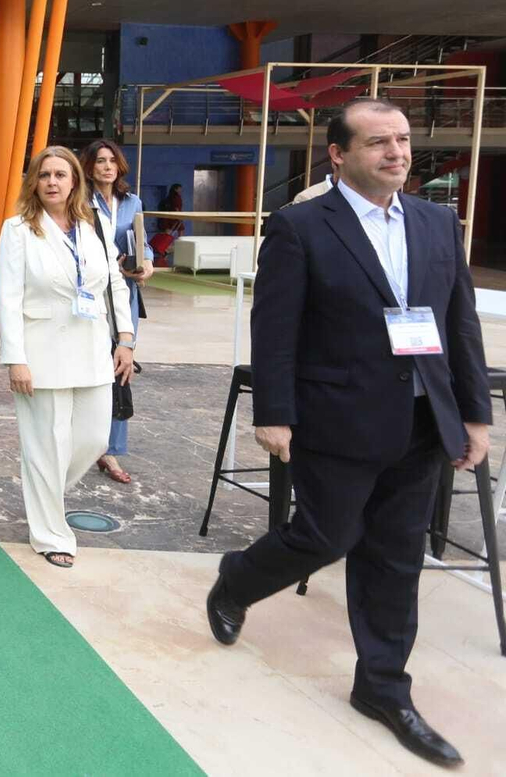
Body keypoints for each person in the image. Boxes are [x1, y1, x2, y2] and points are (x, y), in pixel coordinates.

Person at [205, 99, 491, 768]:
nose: (397, 153)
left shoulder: (437, 223)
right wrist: (273, 413)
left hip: (421, 422)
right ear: (339, 155)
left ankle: (384, 690)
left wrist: (474, 414)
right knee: (326, 536)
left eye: (402, 141)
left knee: (395, 560)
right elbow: (276, 331)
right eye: (378, 144)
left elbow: (460, 327)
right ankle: (237, 582)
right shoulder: (301, 227)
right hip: (337, 418)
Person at [0, 146, 133, 569]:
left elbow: (113, 282)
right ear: (34, 182)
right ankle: (51, 533)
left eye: (61, 174)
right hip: (41, 353)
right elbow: (7, 296)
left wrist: (125, 336)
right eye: (45, 175)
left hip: (92, 348)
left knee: (93, 438)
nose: (53, 182)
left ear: (75, 180)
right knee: (44, 445)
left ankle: (44, 497)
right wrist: (15, 357)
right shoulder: (18, 229)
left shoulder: (93, 225)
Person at [82, 139, 153, 485]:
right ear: (90, 166)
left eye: (112, 160)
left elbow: (144, 242)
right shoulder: (79, 201)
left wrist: (146, 265)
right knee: (90, 368)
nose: (107, 166)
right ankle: (86, 440)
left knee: (121, 370)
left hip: (126, 296)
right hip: (91, 296)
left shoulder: (132, 202)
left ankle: (111, 449)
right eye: (100, 161)